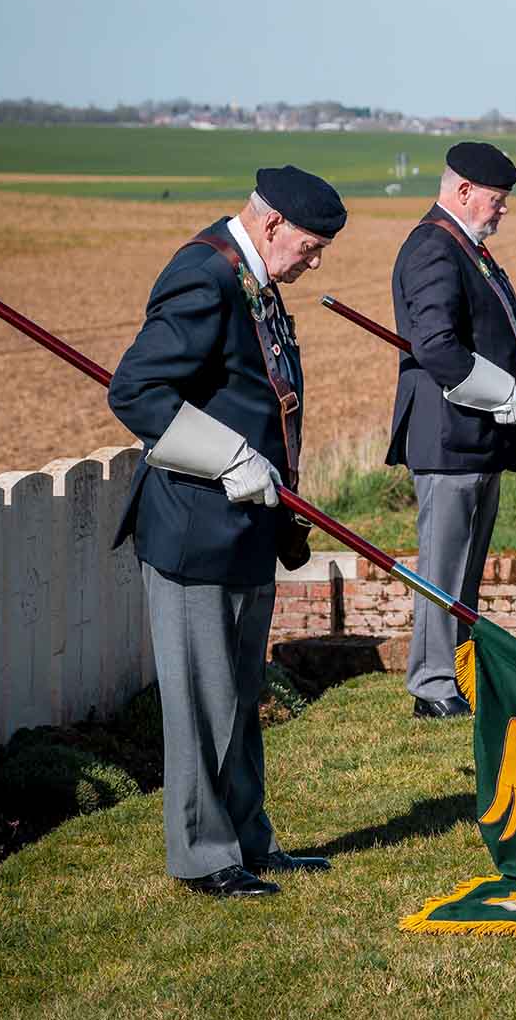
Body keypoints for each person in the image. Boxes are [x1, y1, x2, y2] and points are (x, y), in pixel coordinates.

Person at [108, 166, 346, 897]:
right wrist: (229, 457)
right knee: (202, 704)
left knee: (240, 701)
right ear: (272, 224)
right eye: (309, 247)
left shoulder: (255, 280)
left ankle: (249, 839)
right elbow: (137, 390)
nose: (314, 262)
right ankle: (205, 858)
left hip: (246, 526)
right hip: (193, 533)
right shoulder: (204, 276)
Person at [386, 142, 516, 719]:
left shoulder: (466, 247)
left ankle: (460, 671)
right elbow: (436, 345)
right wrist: (502, 393)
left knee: (466, 567)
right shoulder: (433, 248)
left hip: (476, 436)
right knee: (442, 570)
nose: (503, 210)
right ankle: (432, 683)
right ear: (463, 191)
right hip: (449, 437)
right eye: (497, 200)